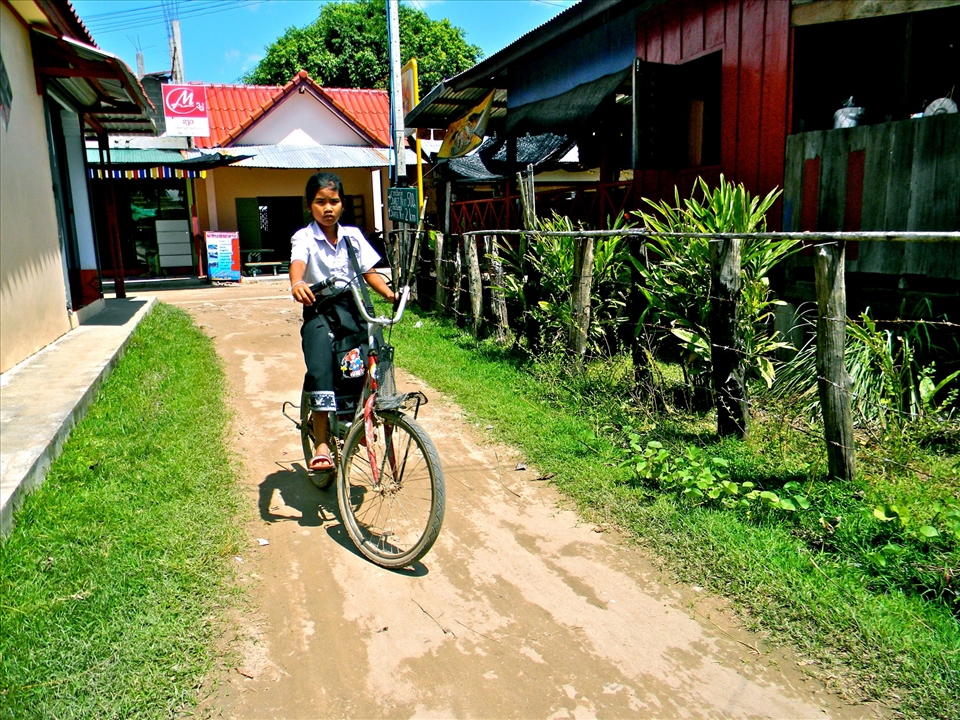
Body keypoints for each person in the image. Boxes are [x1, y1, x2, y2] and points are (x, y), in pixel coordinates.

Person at [289, 172, 396, 472]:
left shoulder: (353, 236)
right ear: (310, 205)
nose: (327, 208)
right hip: (319, 309)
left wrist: (390, 294)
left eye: (333, 201)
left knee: (363, 363)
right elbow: (297, 264)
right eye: (320, 202)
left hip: (352, 308)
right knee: (321, 368)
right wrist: (298, 284)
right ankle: (321, 442)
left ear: (342, 204)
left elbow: (368, 271)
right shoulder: (305, 237)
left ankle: (358, 424)